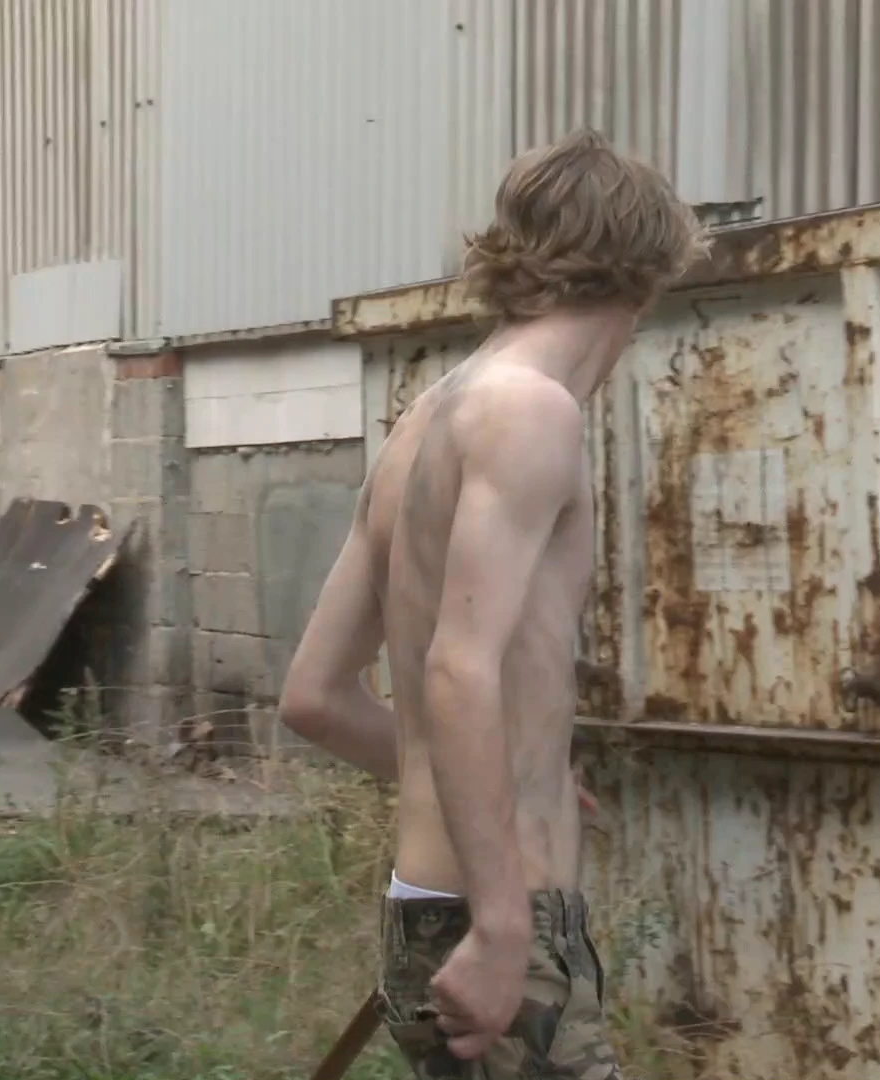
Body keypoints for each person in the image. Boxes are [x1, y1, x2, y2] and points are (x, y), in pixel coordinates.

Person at [281, 128, 706, 1079]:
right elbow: (458, 668)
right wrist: (505, 922)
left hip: (430, 908)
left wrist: (505, 782)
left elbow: (315, 696)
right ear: (646, 277)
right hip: (495, 921)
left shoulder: (425, 421)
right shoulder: (531, 412)